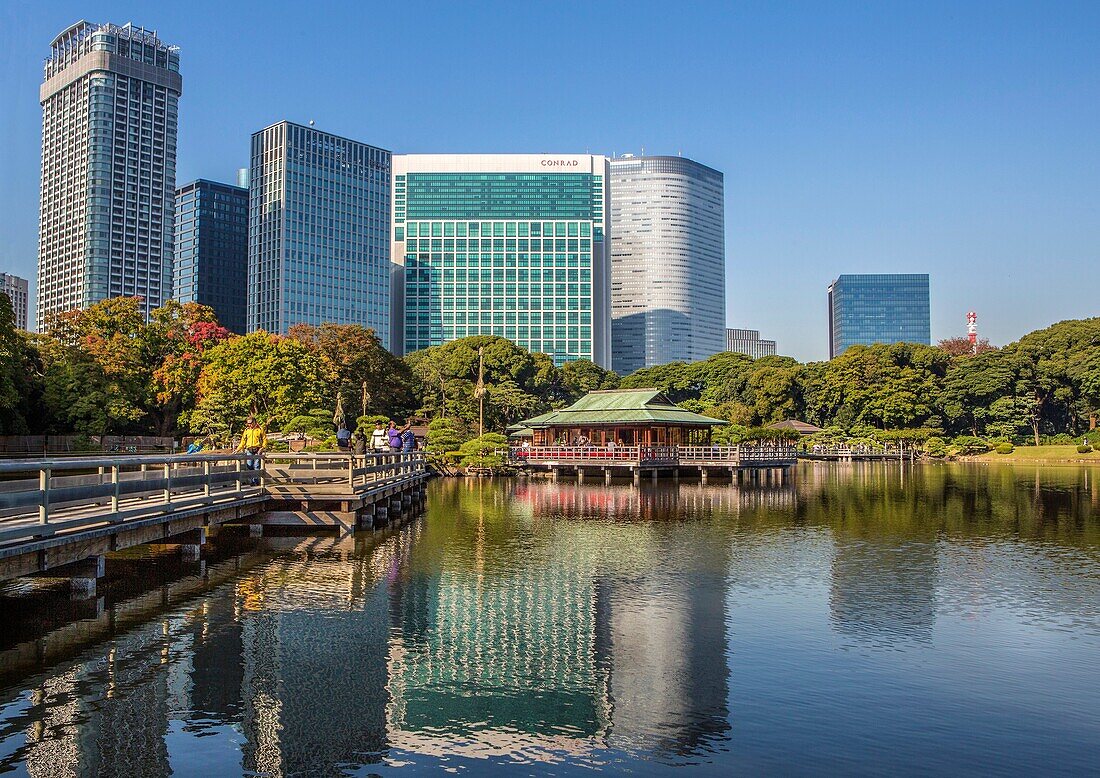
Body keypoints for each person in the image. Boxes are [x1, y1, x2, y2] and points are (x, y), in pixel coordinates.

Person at [236, 416, 266, 486]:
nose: (249, 424)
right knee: (249, 466)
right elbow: (243, 441)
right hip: (249, 449)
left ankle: (255, 481)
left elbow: (264, 439)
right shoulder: (246, 430)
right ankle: (252, 480)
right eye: (248, 423)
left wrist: (262, 448)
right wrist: (238, 449)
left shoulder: (260, 429)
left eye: (250, 423)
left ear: (254, 422)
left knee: (256, 465)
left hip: (257, 449)